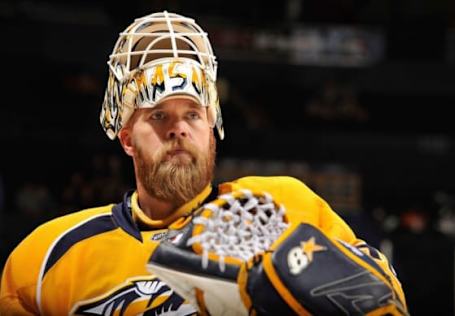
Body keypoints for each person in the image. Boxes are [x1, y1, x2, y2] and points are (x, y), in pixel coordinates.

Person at [0, 11, 407, 315]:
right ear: (126, 139)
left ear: (212, 129)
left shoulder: (282, 205)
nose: (179, 129)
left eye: (193, 114)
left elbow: (388, 302)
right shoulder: (47, 258)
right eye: (158, 115)